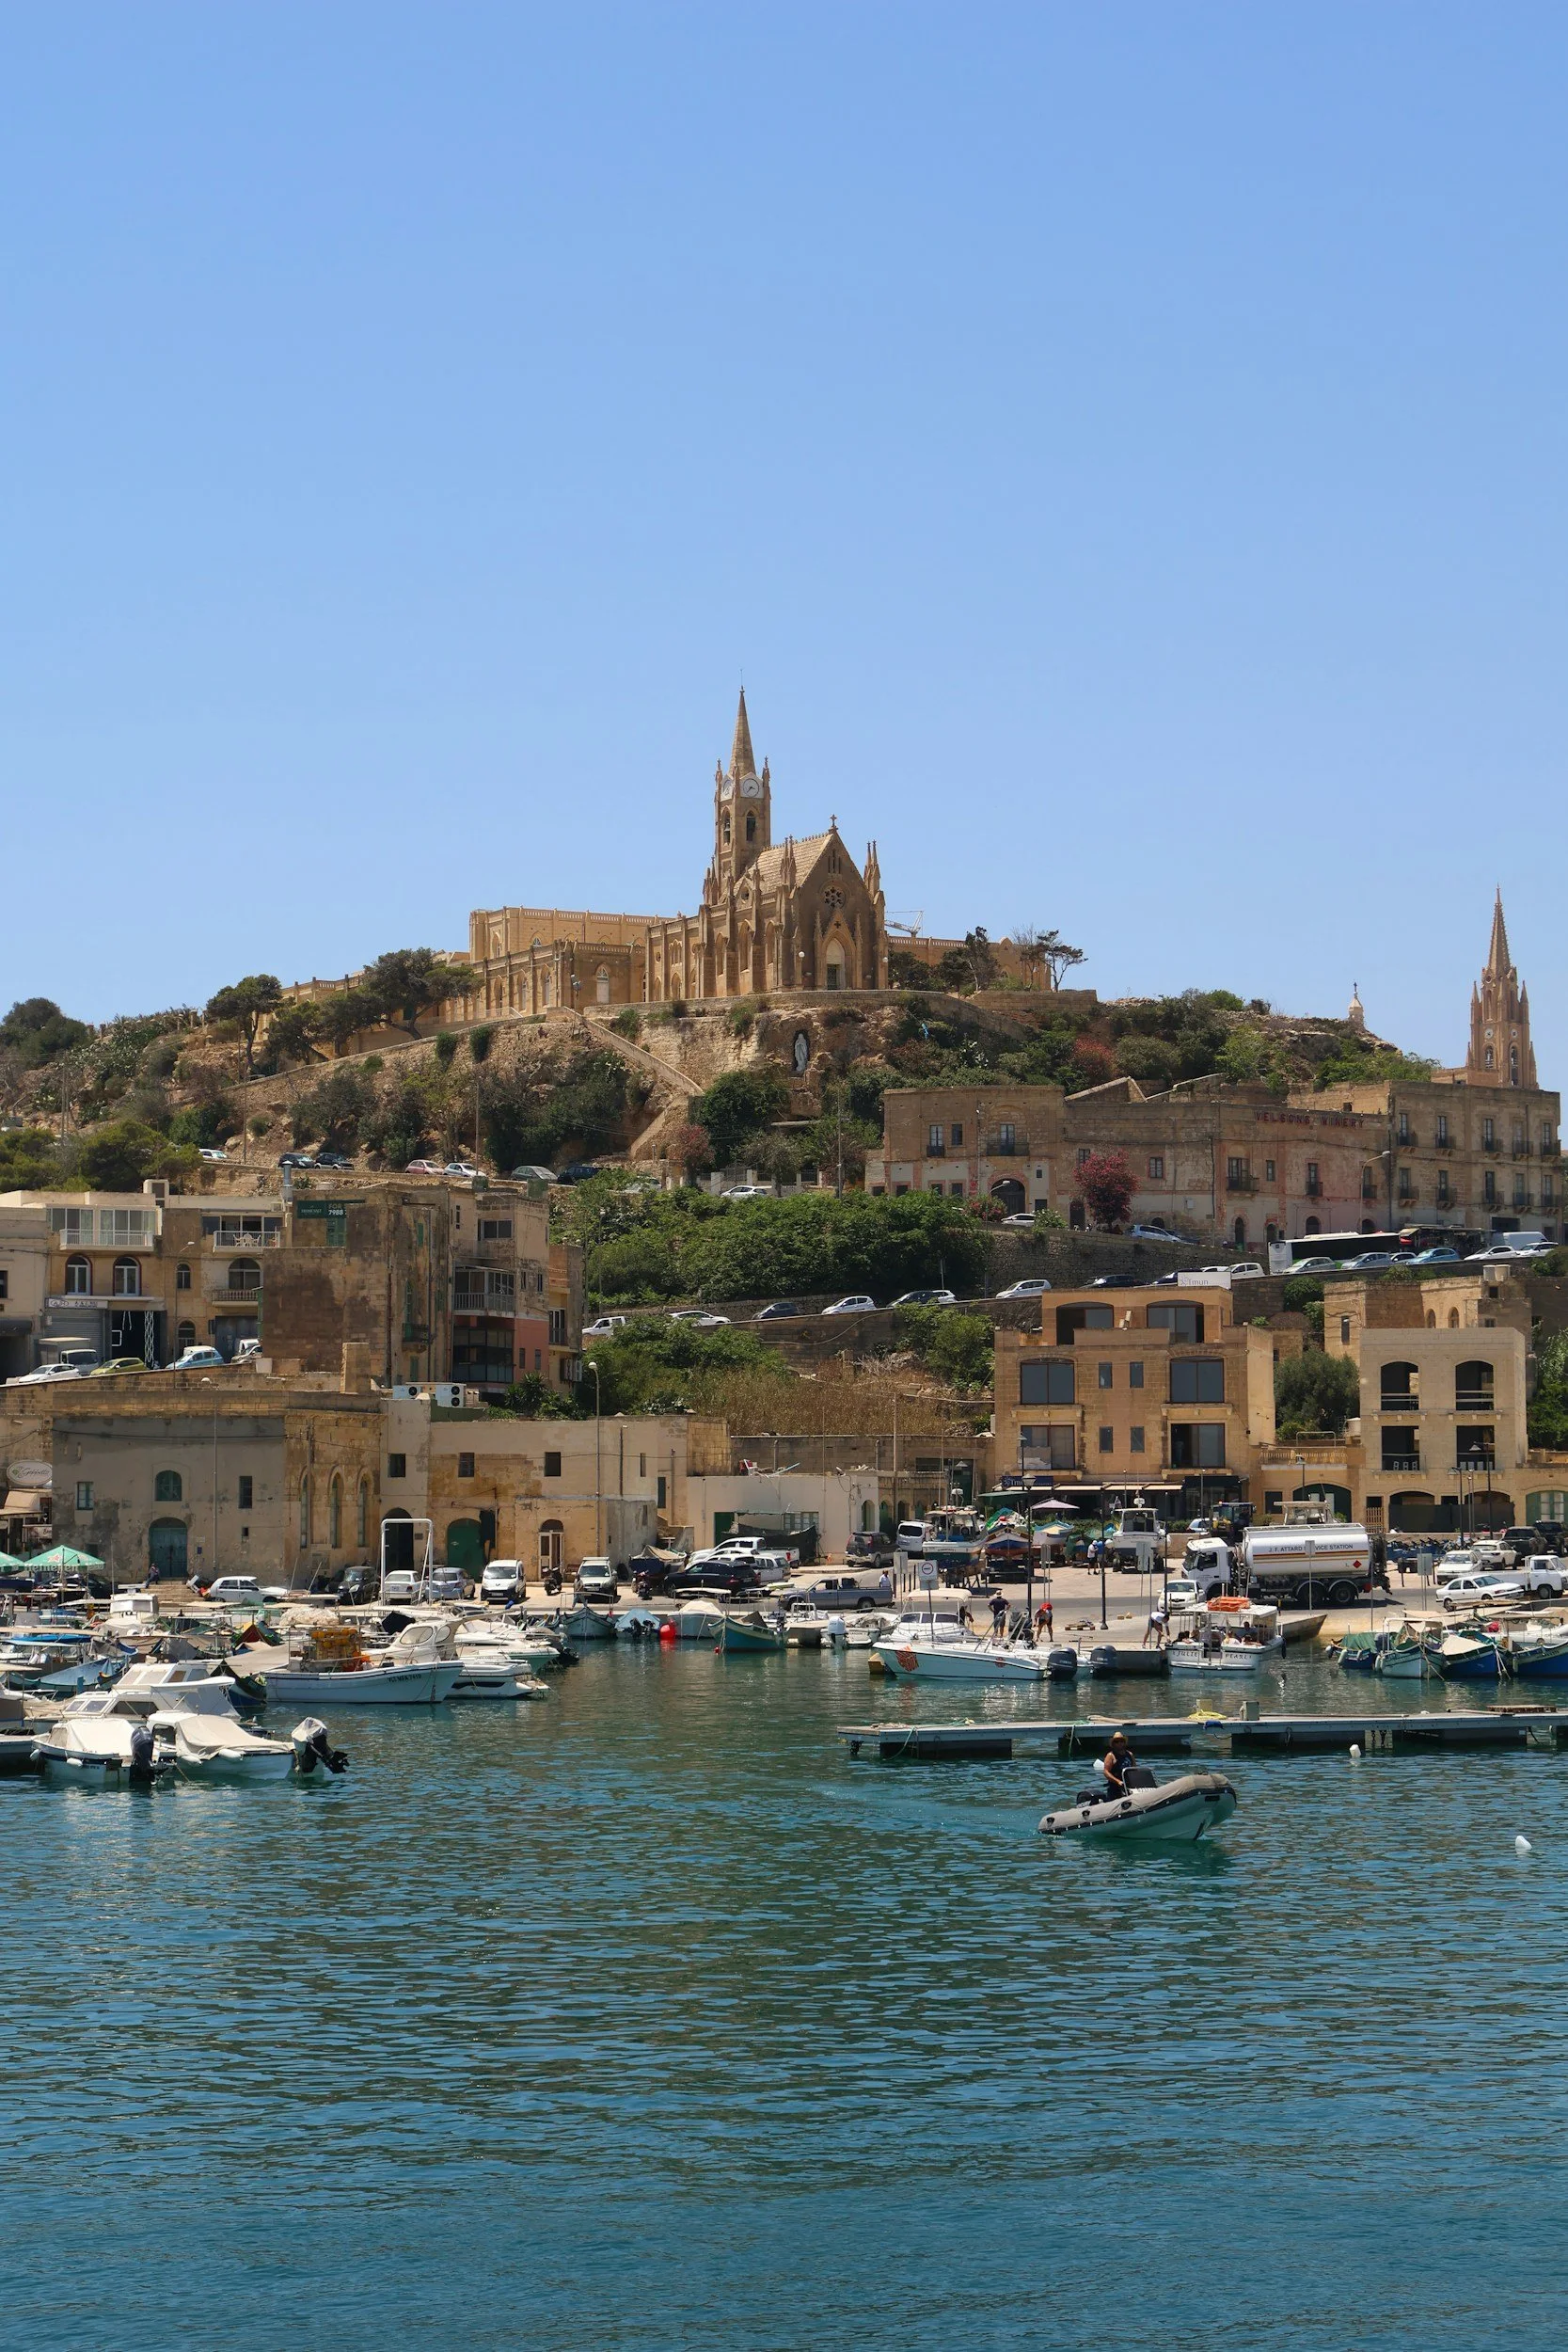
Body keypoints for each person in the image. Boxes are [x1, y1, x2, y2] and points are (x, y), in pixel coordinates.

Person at [1101, 1730, 1136, 1797]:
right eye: (1117, 1742)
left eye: (1121, 1741)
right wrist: (1118, 1781)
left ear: (1124, 1743)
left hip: (1129, 1785)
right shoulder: (1110, 1756)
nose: (1119, 1743)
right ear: (1113, 1744)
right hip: (1115, 1787)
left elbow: (1134, 1769)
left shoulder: (1130, 1754)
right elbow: (1106, 1772)